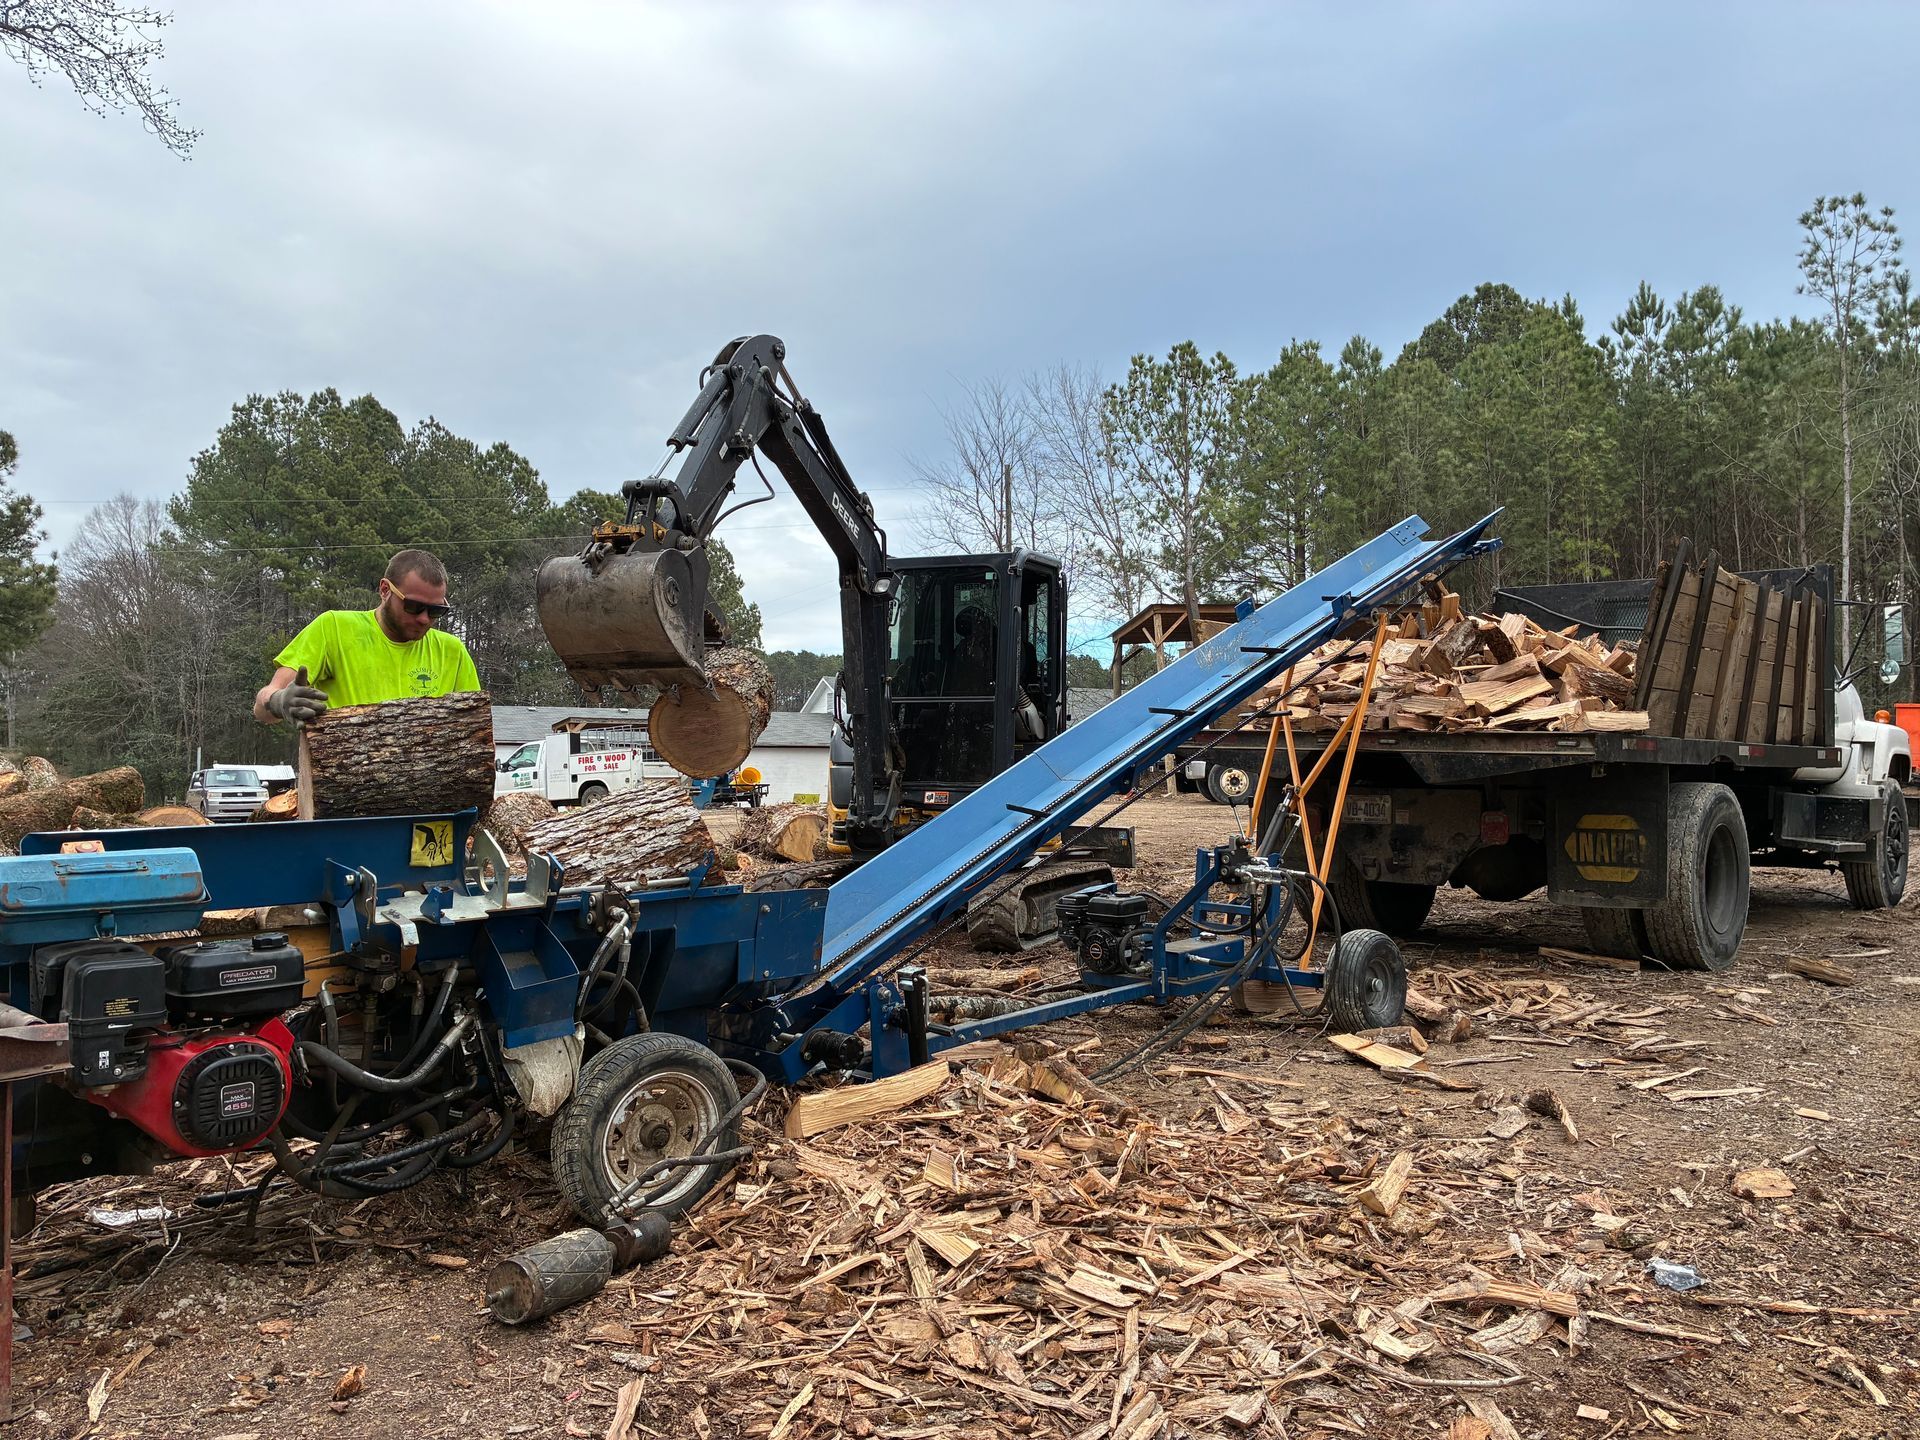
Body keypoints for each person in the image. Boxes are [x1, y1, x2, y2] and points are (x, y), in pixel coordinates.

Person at [255, 549, 480, 725]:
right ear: (385, 590)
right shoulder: (334, 628)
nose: (424, 619)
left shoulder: (452, 652)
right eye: (413, 606)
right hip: (342, 781)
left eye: (436, 610)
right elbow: (262, 707)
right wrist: (279, 702)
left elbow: (476, 729)